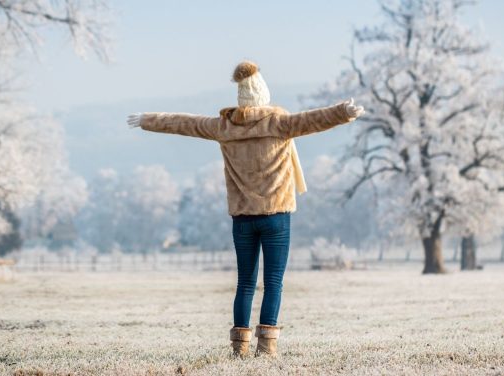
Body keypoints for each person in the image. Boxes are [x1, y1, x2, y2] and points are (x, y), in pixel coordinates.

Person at [127, 61, 364, 358]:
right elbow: (315, 119)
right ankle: (267, 348)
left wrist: (148, 119)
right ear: (264, 95)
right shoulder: (280, 123)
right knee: (274, 282)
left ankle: (239, 349)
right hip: (276, 215)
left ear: (240, 98)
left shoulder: (224, 127)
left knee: (245, 283)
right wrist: (345, 112)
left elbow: (184, 123)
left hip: (242, 218)